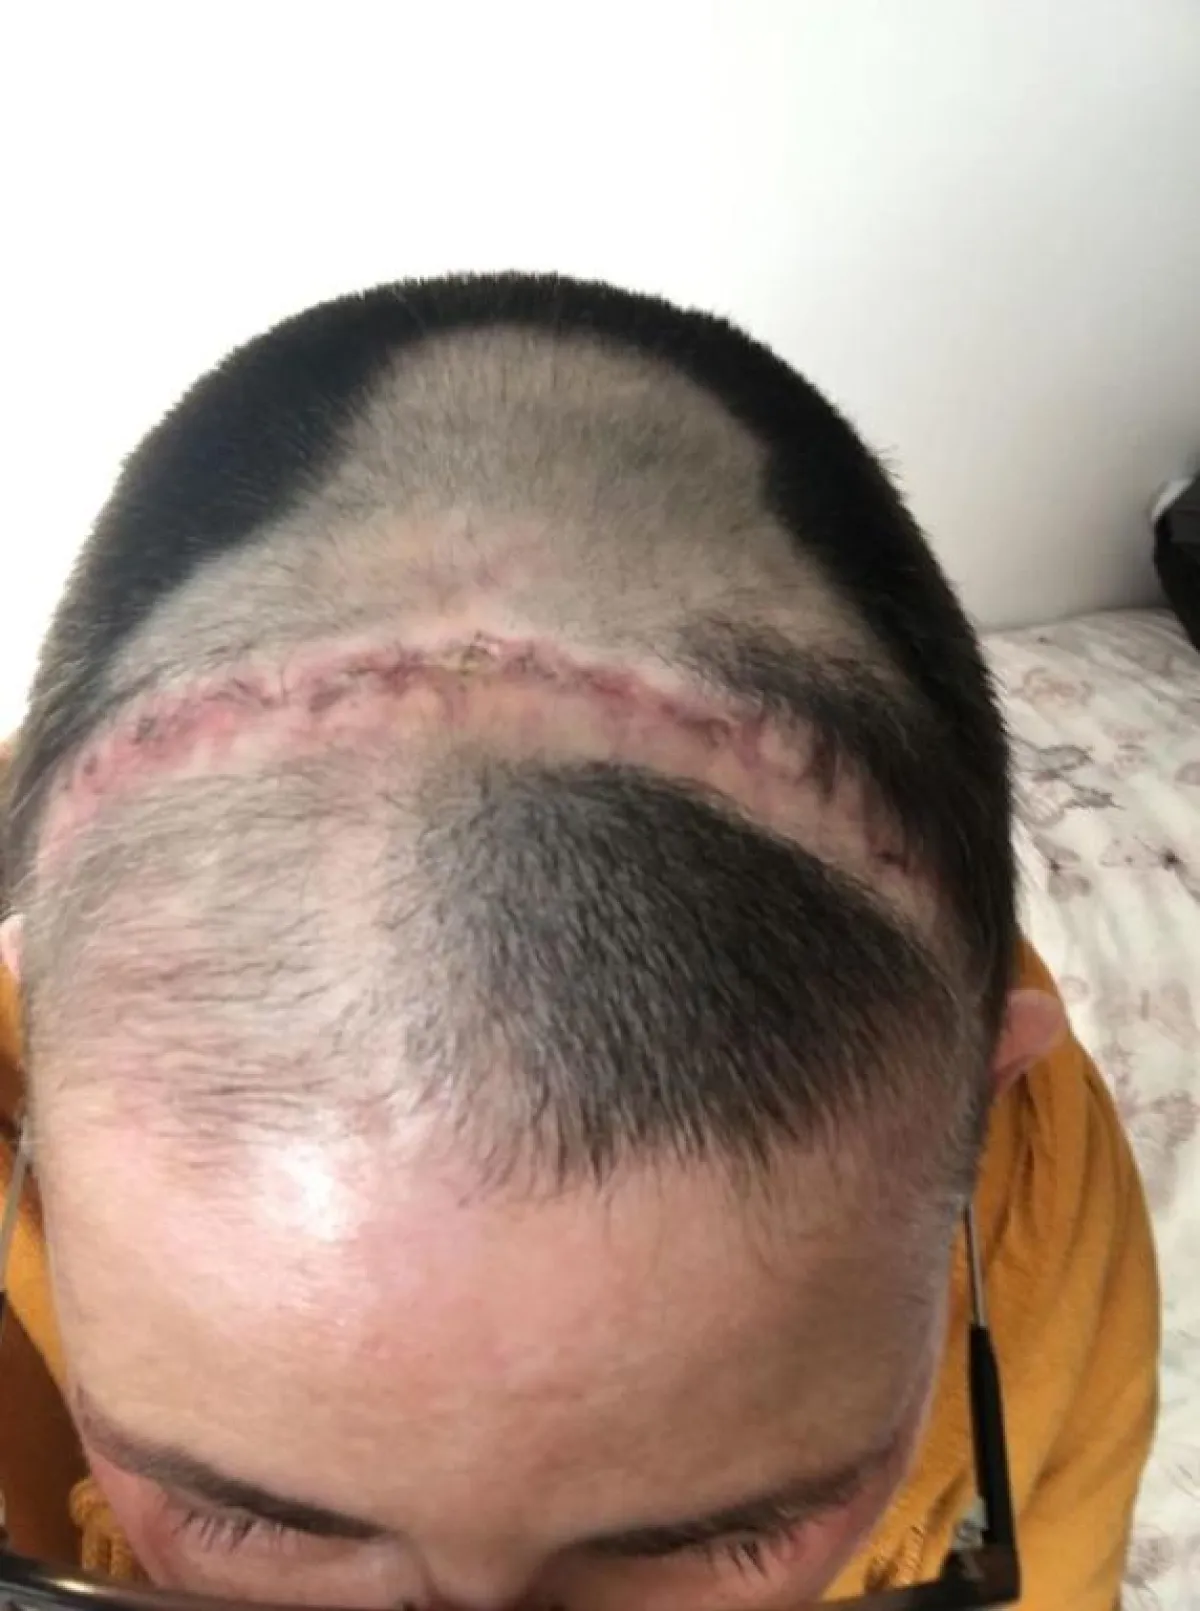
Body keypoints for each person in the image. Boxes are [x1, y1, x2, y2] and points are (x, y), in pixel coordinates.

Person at [0, 274, 1157, 1610]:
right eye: (244, 1518)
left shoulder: (1037, 1207)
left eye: (710, 1541)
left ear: (984, 1102)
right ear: (32, 1045)